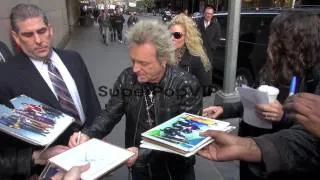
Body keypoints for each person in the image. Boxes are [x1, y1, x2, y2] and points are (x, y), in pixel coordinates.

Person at [69, 20, 202, 180]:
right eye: (133, 60)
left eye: (144, 63)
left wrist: (143, 153)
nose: (135, 69)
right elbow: (110, 113)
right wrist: (88, 134)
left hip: (176, 171)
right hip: (140, 168)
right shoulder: (128, 78)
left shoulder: (186, 84)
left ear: (164, 58)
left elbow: (187, 136)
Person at [201, 10, 320, 180]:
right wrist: (224, 109)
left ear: (295, 40)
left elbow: (307, 138)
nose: (269, 40)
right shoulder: (272, 66)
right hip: (251, 149)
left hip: (280, 163)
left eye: (275, 35)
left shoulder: (312, 78)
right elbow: (253, 100)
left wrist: (284, 116)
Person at [0, 3, 101, 179]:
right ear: (16, 38)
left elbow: (91, 104)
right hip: (48, 171)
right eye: (28, 35)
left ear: (50, 30)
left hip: (90, 158)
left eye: (41, 31)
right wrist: (35, 159)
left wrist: (99, 137)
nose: (38, 40)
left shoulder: (73, 58)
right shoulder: (5, 77)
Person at [169, 14, 212, 96]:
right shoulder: (166, 54)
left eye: (177, 35)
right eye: (170, 34)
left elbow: (205, 89)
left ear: (187, 36)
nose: (172, 38)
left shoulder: (197, 58)